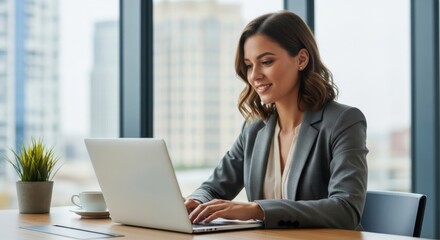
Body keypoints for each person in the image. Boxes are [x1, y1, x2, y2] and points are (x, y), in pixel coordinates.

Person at [184, 10, 368, 230]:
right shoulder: (254, 128)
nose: (254, 76)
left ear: (301, 59)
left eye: (266, 62)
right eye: (249, 65)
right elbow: (213, 189)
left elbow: (345, 210)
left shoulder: (343, 121)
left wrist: (258, 210)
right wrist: (196, 201)